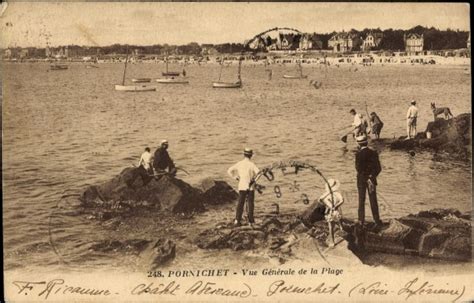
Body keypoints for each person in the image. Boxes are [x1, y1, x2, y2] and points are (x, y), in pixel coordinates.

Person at [227, 148, 260, 227]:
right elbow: (259, 173)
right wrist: (254, 180)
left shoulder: (239, 163)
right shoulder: (252, 164)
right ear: (251, 155)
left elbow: (229, 170)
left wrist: (236, 177)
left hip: (242, 185)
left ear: (244, 155)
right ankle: (251, 221)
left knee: (240, 203)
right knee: (250, 204)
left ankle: (237, 220)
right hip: (250, 186)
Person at [355, 135, 383, 227]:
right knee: (373, 200)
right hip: (372, 180)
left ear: (359, 144)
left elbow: (358, 169)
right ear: (366, 143)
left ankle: (361, 220)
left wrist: (366, 177)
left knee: (361, 200)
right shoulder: (374, 153)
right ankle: (377, 220)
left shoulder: (358, 154)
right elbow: (378, 168)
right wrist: (371, 176)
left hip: (362, 180)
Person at [318, 178, 344, 248]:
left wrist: (336, 205)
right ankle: (332, 240)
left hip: (335, 211)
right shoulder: (327, 194)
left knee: (336, 222)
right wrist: (327, 203)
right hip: (329, 211)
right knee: (331, 226)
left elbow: (342, 200)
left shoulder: (337, 193)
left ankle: (341, 228)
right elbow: (320, 200)